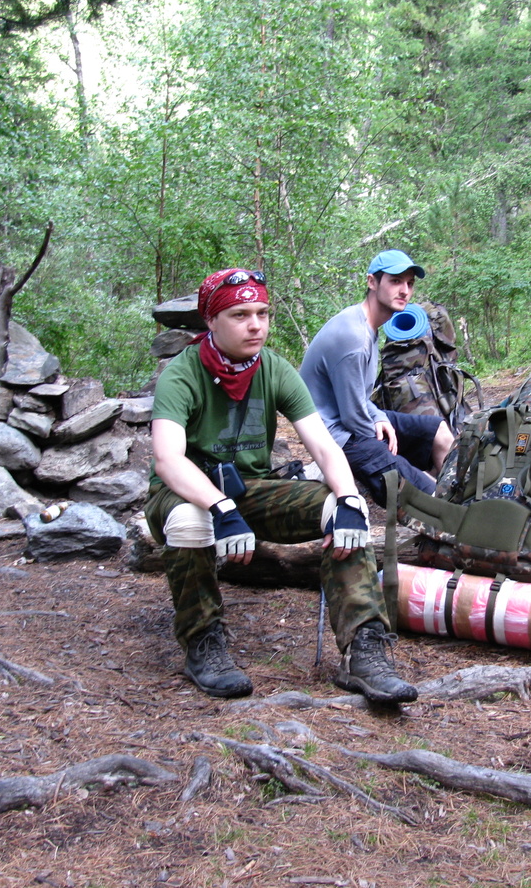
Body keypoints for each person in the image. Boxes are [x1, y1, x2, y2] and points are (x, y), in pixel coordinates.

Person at [144, 267, 417, 705]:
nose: (256, 325)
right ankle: (203, 643)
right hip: (186, 492)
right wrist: (221, 508)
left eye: (262, 313)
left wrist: (348, 498)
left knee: (344, 512)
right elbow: (168, 459)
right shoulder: (183, 373)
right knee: (189, 519)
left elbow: (325, 447)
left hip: (251, 488)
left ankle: (364, 651)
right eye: (239, 315)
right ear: (211, 321)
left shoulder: (273, 368)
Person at [300, 249, 454, 505]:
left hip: (349, 420)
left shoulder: (367, 327)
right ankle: (447, 515)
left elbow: (358, 398)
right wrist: (396, 460)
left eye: (410, 283)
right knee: (423, 487)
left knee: (437, 431)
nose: (405, 290)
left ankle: (456, 500)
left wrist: (380, 417)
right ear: (372, 282)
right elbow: (352, 417)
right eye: (395, 281)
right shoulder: (354, 337)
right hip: (332, 435)